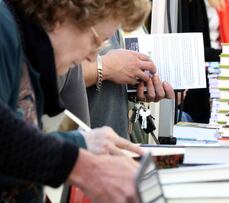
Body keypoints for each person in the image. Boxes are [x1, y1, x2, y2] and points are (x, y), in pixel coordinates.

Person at [0, 0, 150, 202]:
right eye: (97, 41)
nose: (92, 56)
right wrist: (81, 166)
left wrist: (81, 143)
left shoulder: (25, 45)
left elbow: (19, 147)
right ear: (63, 13)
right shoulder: (3, 29)